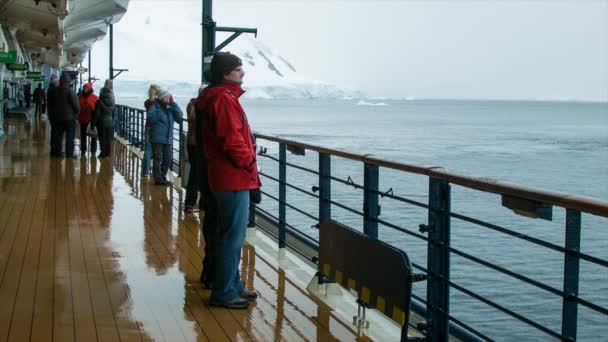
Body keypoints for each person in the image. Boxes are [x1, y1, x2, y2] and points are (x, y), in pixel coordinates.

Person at [195, 52, 260, 309]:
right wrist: (250, 164)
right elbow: (232, 140)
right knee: (232, 236)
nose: (242, 73)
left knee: (228, 234)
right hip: (232, 177)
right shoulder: (223, 99)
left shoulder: (220, 97)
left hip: (225, 175)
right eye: (238, 69)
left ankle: (232, 285)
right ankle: (223, 291)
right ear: (225, 73)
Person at [147, 89, 183, 185]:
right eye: (166, 97)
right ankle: (158, 179)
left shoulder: (170, 107)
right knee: (157, 158)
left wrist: (173, 104)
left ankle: (162, 176)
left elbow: (180, 117)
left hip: (168, 138)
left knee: (168, 158)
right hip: (157, 137)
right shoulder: (155, 106)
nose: (168, 99)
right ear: (162, 98)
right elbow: (150, 117)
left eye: (169, 97)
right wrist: (159, 112)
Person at [184, 86, 206, 213]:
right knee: (195, 174)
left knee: (206, 175)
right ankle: (189, 203)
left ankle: (204, 202)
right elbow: (191, 119)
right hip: (195, 144)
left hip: (205, 144)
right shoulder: (192, 104)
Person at [49, 74, 80, 158]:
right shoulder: (70, 91)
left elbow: (50, 105)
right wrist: (76, 114)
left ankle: (58, 153)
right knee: (70, 138)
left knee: (58, 137)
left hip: (57, 118)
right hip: (69, 119)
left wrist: (52, 117)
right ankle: (69, 155)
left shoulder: (54, 91)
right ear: (68, 82)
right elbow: (76, 107)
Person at [92, 79, 116, 158]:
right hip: (110, 122)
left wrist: (93, 124)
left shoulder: (99, 101)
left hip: (101, 122)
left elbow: (97, 114)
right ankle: (108, 153)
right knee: (108, 139)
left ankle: (103, 153)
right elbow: (113, 113)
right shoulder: (112, 100)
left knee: (102, 139)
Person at [142, 84, 160, 177]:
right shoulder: (158, 103)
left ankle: (145, 171)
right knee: (157, 150)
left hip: (147, 127)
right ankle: (157, 171)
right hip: (156, 128)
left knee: (147, 149)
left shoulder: (147, 103)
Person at [78, 83, 99, 156]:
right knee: (83, 136)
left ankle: (93, 151)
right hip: (82, 119)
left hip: (92, 121)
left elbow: (97, 109)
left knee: (93, 136)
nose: (85, 89)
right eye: (84, 88)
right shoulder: (80, 97)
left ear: (90, 89)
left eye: (86, 88)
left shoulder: (95, 98)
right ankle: (83, 150)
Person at [46, 76, 60, 156]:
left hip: (52, 114)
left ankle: (53, 149)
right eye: (57, 82)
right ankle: (54, 149)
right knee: (55, 132)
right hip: (55, 114)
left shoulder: (50, 89)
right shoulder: (53, 90)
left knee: (54, 131)